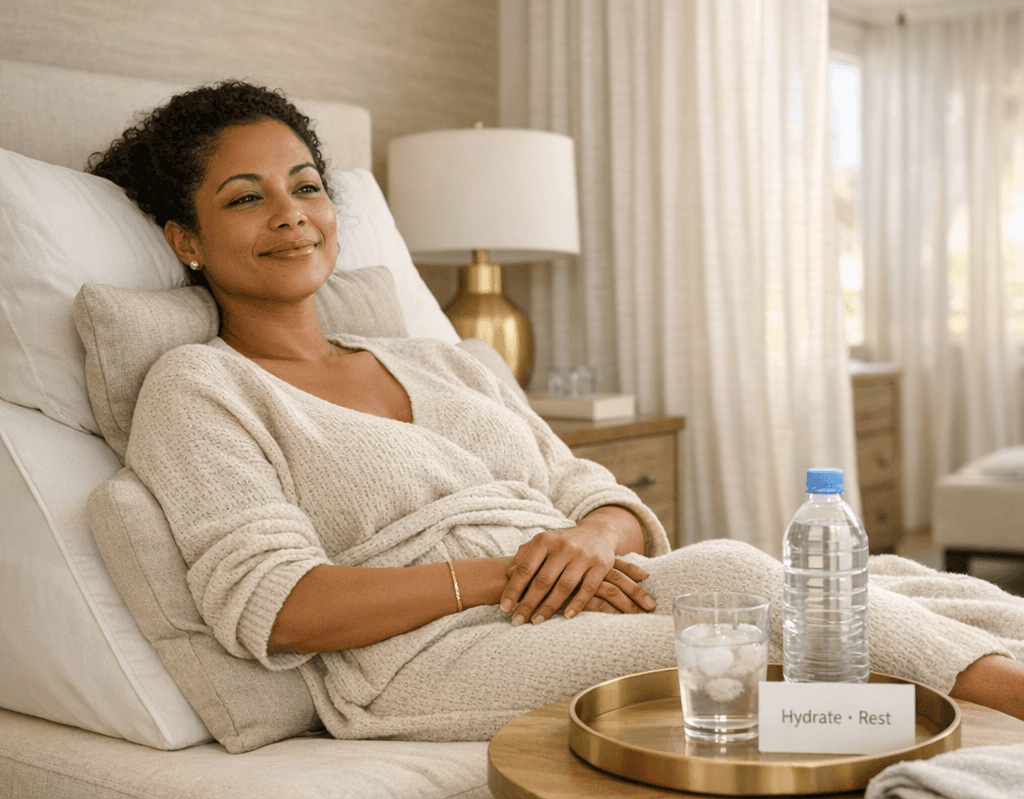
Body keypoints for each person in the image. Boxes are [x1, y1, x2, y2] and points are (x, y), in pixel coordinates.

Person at [88, 81, 1024, 743]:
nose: (291, 214)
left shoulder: (447, 358)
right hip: (427, 655)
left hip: (570, 589)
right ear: (187, 239)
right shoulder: (199, 387)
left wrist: (588, 540)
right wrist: (510, 573)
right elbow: (280, 606)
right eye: (246, 198)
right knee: (751, 601)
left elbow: (595, 491)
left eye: (307, 186)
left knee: (894, 582)